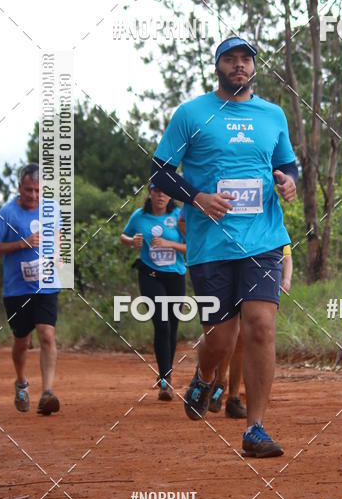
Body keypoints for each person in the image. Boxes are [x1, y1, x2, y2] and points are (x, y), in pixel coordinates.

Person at [151, 35, 298, 458]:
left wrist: (288, 181)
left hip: (263, 238)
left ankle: (255, 428)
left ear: (254, 67)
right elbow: (160, 173)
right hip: (211, 244)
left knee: (260, 327)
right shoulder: (191, 113)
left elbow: (286, 164)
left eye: (245, 59)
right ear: (217, 66)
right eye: (230, 59)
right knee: (221, 339)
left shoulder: (272, 115)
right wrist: (197, 197)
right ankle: (203, 374)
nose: (239, 65)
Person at [0, 164, 61, 415]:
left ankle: (47, 392)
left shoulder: (52, 209)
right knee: (22, 341)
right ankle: (21, 383)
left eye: (38, 190)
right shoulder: (6, 213)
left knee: (47, 334)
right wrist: (22, 244)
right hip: (17, 289)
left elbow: (59, 237)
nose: (33, 195)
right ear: (20, 187)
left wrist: (59, 256)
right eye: (29, 190)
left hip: (47, 284)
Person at [209, 242, 293, 418]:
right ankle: (218, 381)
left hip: (257, 275)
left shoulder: (273, 232)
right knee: (226, 336)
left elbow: (287, 257)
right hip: (228, 267)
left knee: (242, 339)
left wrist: (286, 279)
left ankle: (233, 398)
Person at [121, 184, 186, 400]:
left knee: (172, 327)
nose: (161, 195)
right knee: (162, 324)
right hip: (150, 274)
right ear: (150, 193)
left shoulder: (179, 216)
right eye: (157, 191)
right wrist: (132, 241)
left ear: (171, 195)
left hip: (175, 275)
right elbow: (124, 236)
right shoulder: (139, 216)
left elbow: (192, 247)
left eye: (165, 191)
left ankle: (166, 374)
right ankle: (165, 382)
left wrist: (169, 244)